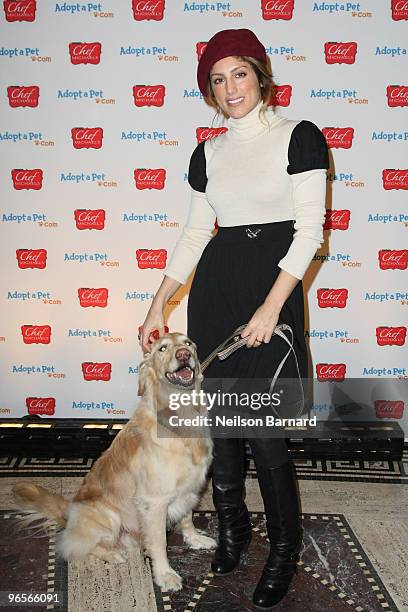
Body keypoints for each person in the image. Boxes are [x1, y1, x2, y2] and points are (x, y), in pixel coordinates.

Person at [139, 28, 329, 608]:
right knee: (221, 433)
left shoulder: (300, 136)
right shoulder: (208, 152)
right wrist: (159, 301)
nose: (230, 88)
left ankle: (283, 550)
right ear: (210, 93)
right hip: (218, 291)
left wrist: (272, 307)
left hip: (272, 289)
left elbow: (309, 231)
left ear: (260, 75)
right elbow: (197, 232)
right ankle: (234, 532)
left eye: (238, 74)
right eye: (217, 81)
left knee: (267, 439)